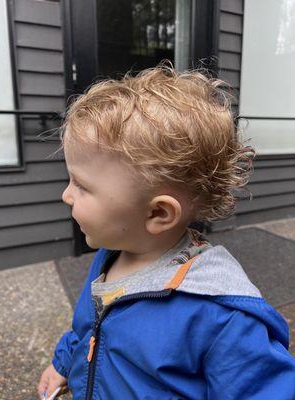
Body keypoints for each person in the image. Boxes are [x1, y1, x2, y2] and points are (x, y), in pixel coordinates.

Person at [38, 63, 295, 400]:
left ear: (158, 213)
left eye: (82, 186)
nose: (66, 195)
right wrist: (62, 364)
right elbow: (87, 328)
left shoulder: (221, 317)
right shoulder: (109, 257)